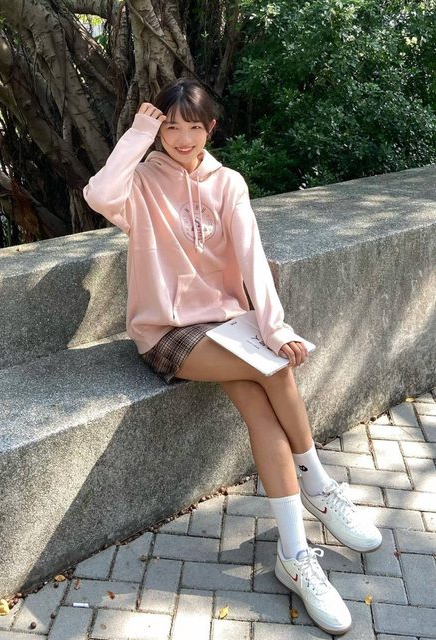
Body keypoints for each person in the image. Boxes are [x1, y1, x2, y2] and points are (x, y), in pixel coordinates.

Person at [83, 78, 382, 635]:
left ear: (210, 128)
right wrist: (139, 132)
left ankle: (295, 554)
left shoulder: (228, 183)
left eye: (193, 127)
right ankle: (319, 485)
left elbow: (252, 258)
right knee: (275, 368)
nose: (182, 138)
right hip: (168, 330)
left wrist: (274, 325)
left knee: (263, 406)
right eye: (171, 127)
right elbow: (99, 196)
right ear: (158, 129)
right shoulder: (141, 181)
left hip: (228, 324)